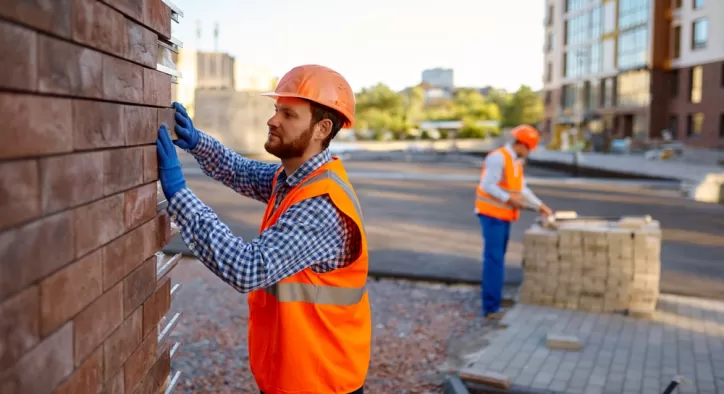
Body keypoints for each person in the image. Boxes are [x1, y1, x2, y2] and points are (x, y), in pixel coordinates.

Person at [155, 64, 371, 394]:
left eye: (288, 114)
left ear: (322, 128)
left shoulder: (321, 204)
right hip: (296, 374)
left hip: (320, 382)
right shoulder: (294, 179)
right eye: (276, 110)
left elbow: (247, 268)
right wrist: (198, 143)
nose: (273, 120)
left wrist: (179, 195)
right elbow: (239, 170)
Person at [475, 125, 553, 320]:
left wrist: (539, 205)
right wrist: (510, 200)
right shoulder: (498, 157)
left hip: (503, 216)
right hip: (491, 215)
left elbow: (522, 189)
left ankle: (495, 300)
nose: (529, 154)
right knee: (494, 261)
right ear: (522, 145)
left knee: (498, 259)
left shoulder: (515, 161)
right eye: (529, 149)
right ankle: (490, 308)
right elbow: (487, 185)